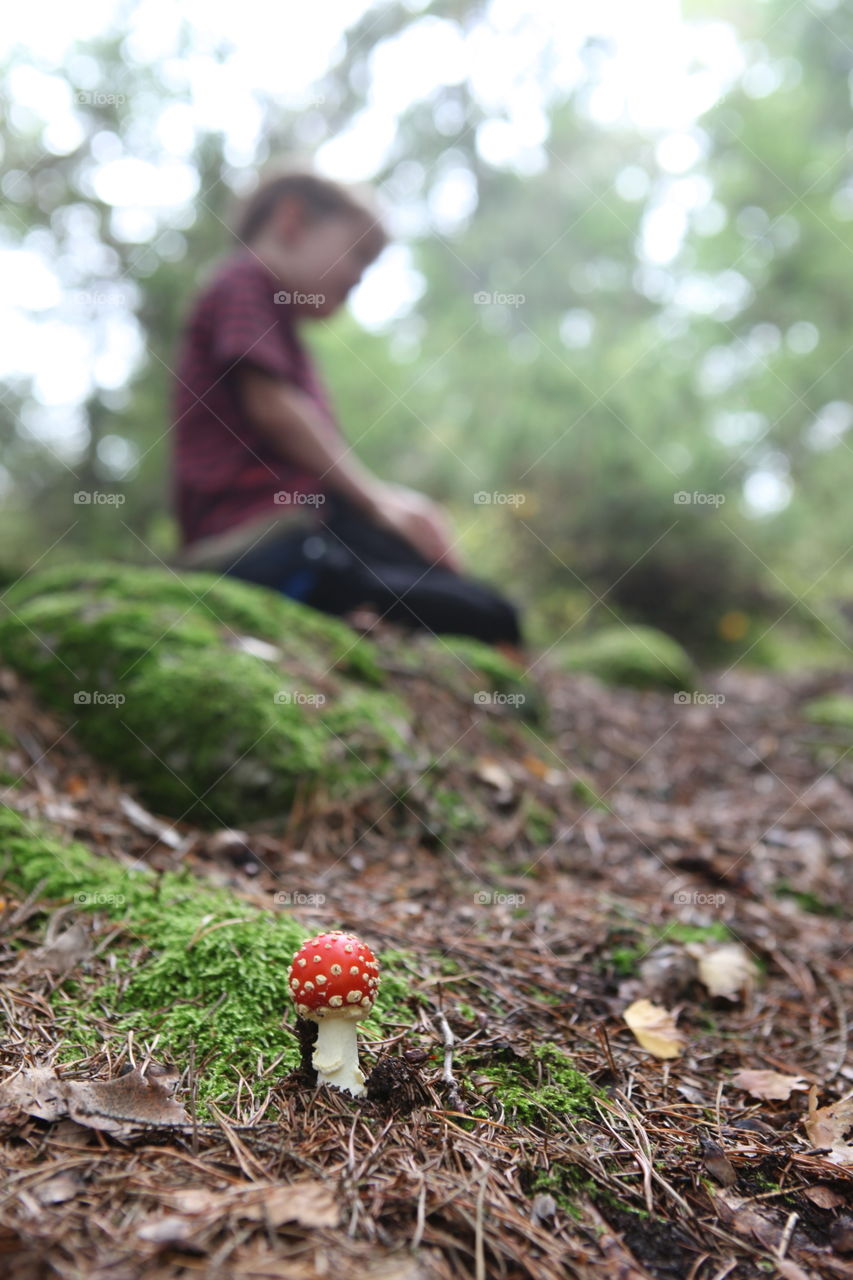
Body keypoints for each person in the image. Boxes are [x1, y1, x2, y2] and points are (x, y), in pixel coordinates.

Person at [170, 166, 523, 649]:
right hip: (262, 541)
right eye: (359, 254)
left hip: (310, 527)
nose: (360, 278)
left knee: (475, 598)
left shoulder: (281, 327)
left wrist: (396, 509)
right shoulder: (242, 279)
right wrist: (378, 502)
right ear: (292, 222)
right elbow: (274, 412)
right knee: (486, 614)